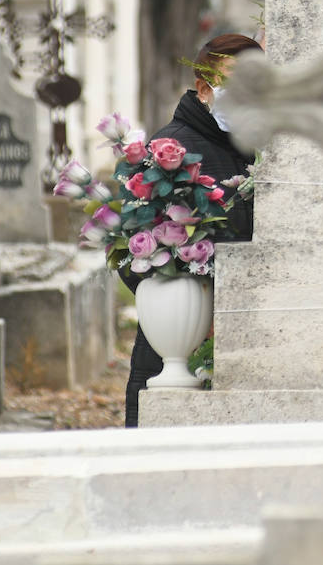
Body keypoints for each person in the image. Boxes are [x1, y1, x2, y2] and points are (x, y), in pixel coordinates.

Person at [122, 33, 263, 427]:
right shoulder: (172, 151)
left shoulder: (257, 148)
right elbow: (136, 253)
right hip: (180, 343)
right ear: (205, 89)